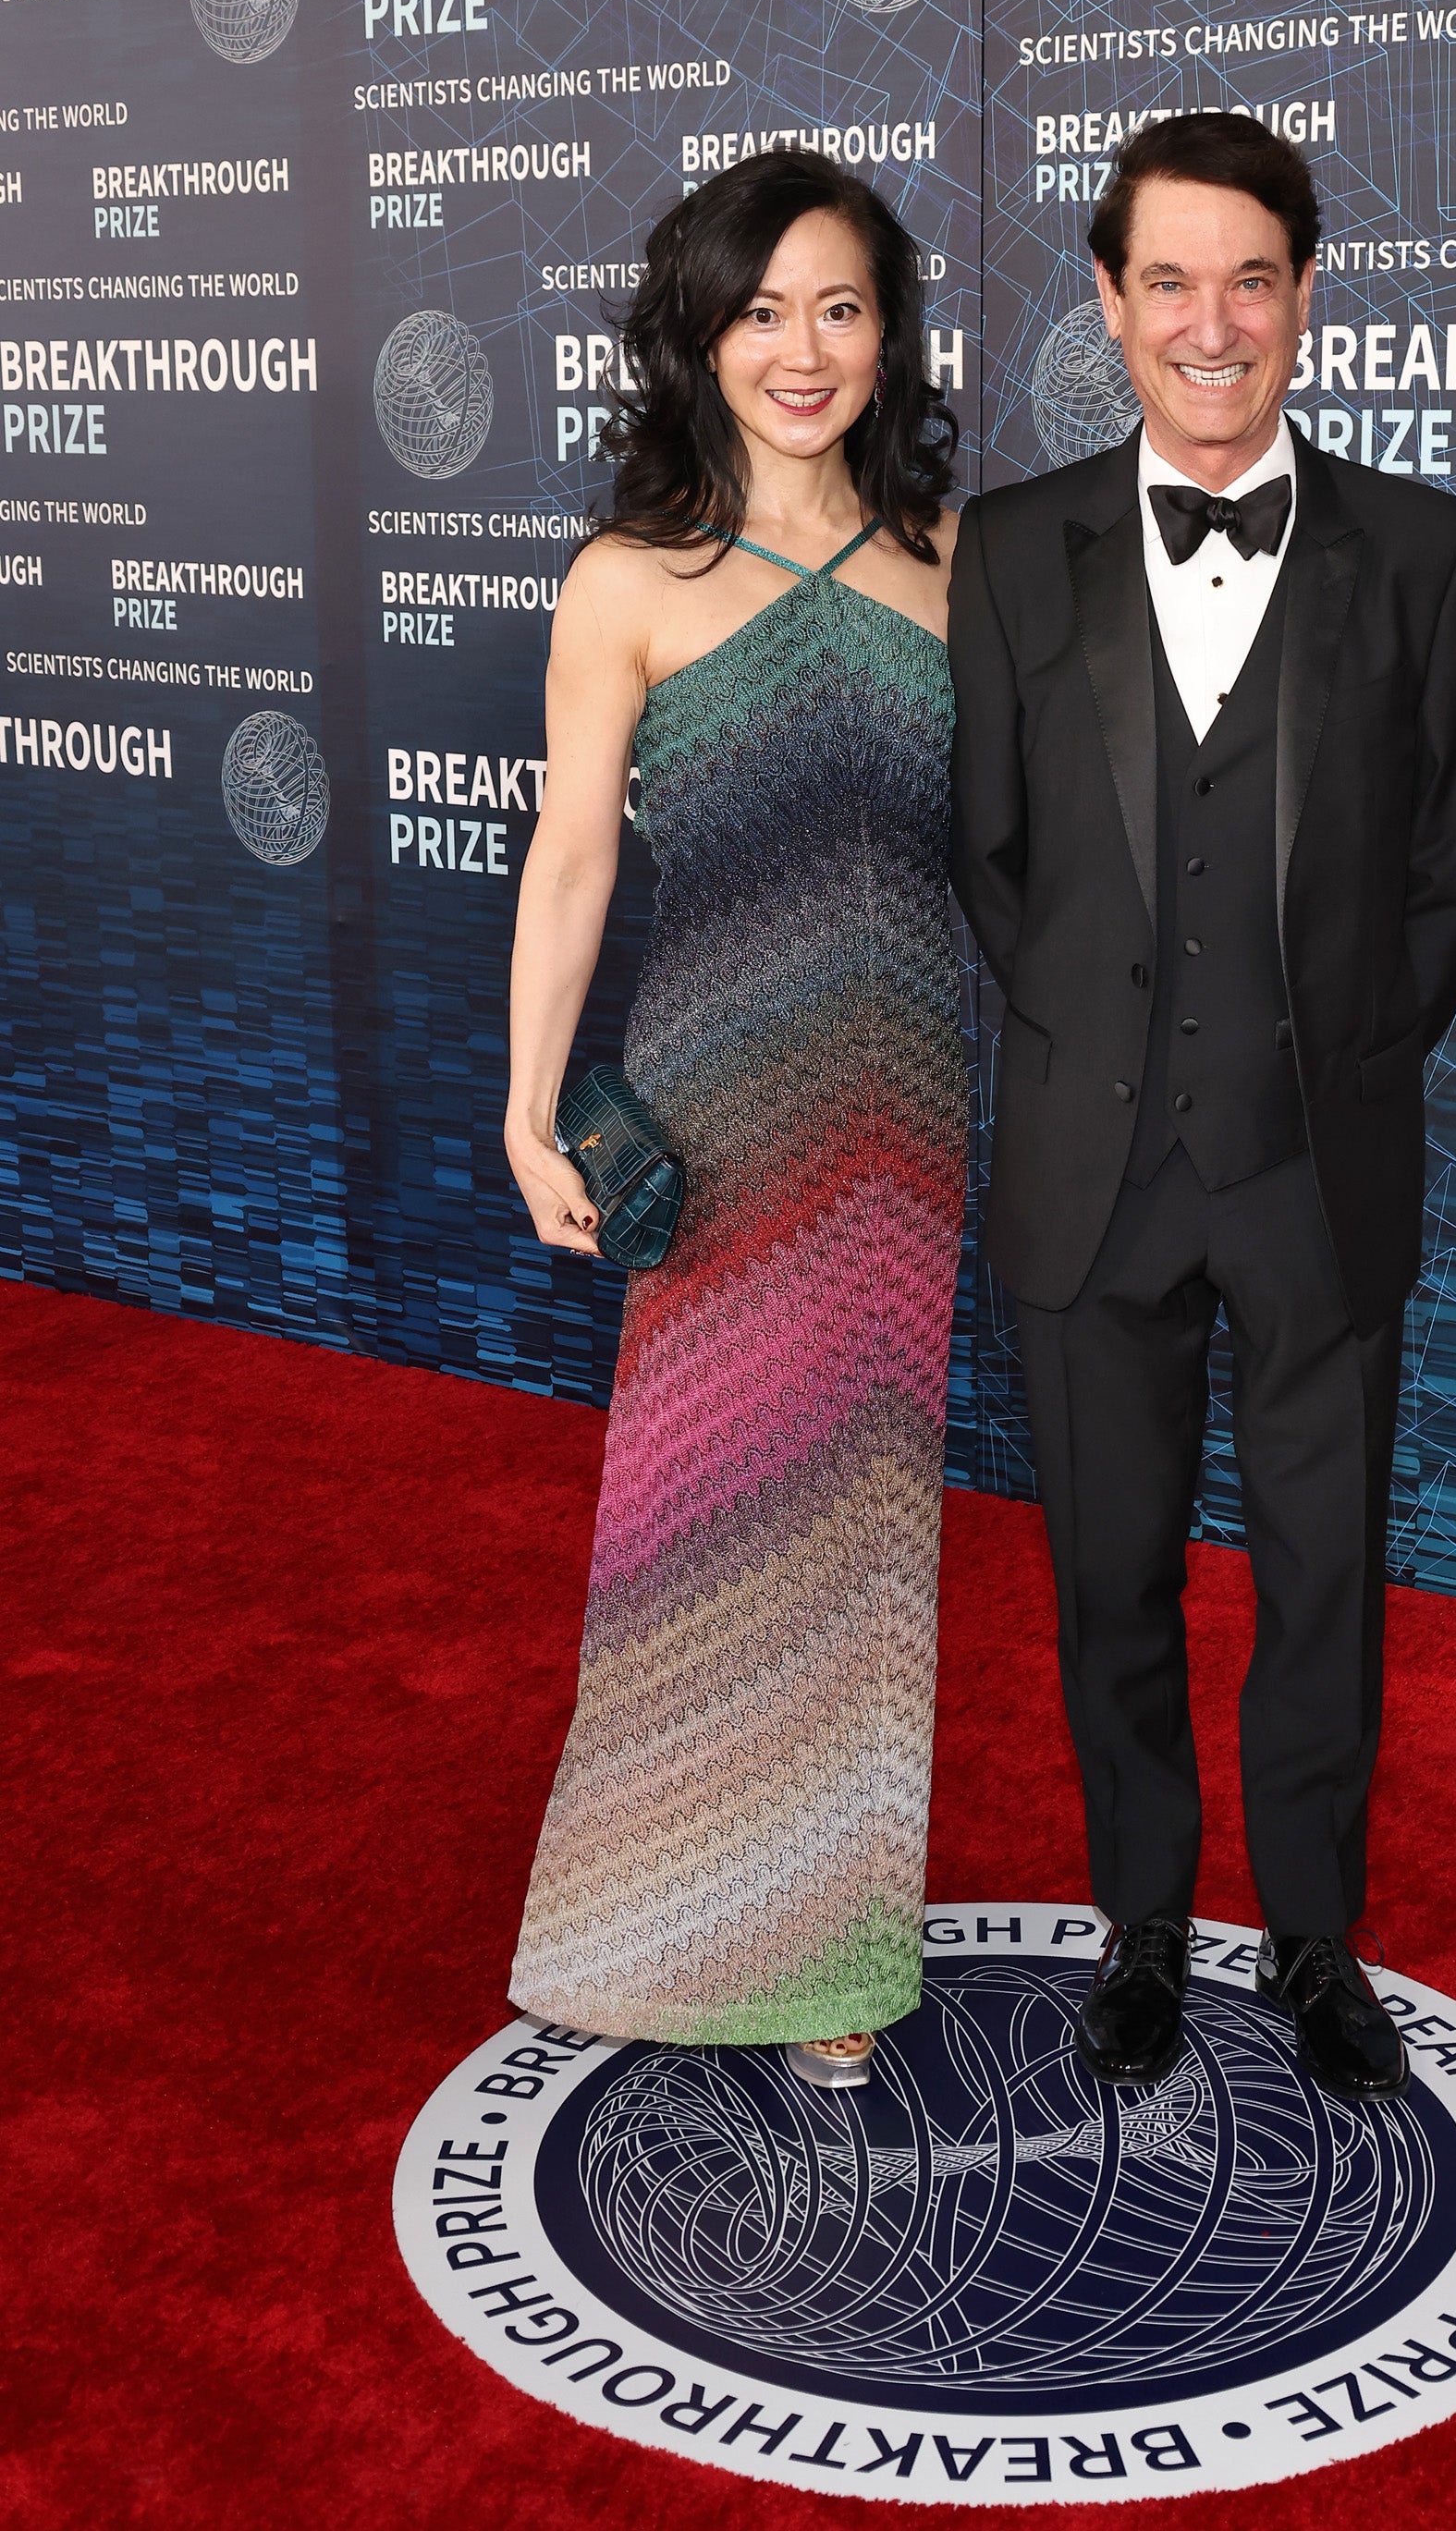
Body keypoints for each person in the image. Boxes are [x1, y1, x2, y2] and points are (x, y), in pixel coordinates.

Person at [948, 112, 1456, 2098]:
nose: (1212, 322)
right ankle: (1139, 1926)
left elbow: (1455, 864)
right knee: (1105, 1578)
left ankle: (1316, 1936)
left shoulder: (1426, 552)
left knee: (1321, 1581)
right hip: (1087, 1177)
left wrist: (1340, 1068)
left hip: (1316, 1169)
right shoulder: (1011, 548)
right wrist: (1103, 1057)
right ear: (1106, 304)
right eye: (1166, 280)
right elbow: (991, 860)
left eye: (1248, 279)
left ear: (1302, 294)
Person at [503, 150, 965, 2091]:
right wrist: (530, 1112)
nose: (801, 349)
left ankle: (835, 1945)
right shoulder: (630, 579)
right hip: (719, 1102)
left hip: (913, 1112)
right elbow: (575, 857)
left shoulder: (962, 574)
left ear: (890, 338)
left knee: (865, 1524)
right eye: (760, 308)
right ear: (697, 330)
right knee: (702, 1519)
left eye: (840, 307)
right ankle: (668, 1917)